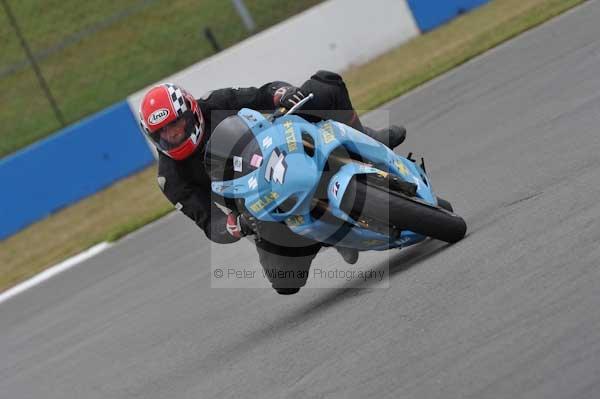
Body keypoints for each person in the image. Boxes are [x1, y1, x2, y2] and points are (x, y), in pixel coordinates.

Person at [138, 70, 406, 295]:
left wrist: (284, 93)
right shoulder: (170, 179)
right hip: (259, 207)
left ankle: (365, 140)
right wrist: (236, 225)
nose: (173, 135)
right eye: (163, 134)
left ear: (191, 111)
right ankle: (324, 237)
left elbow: (263, 94)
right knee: (285, 281)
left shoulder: (214, 102)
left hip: (284, 150)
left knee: (325, 83)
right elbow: (210, 223)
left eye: (177, 125)